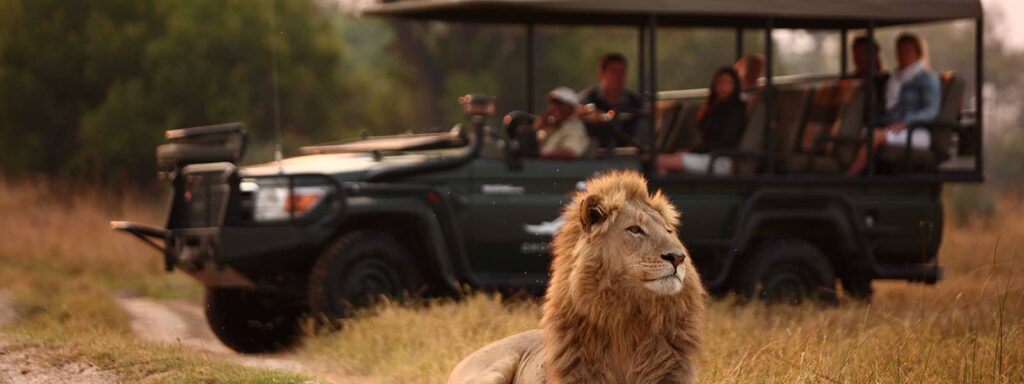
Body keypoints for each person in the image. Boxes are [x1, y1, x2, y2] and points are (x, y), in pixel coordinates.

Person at [846, 32, 941, 175]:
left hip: (916, 131)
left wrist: (907, 122)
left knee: (874, 136)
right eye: (900, 52)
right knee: (856, 132)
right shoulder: (894, 80)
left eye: (907, 52)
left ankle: (849, 177)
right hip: (893, 128)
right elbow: (886, 110)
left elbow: (931, 111)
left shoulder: (927, 78)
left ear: (918, 53)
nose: (902, 56)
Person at [657, 67, 747, 174]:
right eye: (720, 82)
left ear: (735, 86)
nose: (723, 87)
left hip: (720, 159)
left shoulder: (735, 111)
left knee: (660, 162)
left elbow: (724, 142)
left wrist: (692, 152)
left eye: (728, 83)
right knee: (661, 160)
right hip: (708, 156)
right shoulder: (715, 107)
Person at [578, 53, 645, 149]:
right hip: (594, 157)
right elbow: (573, 114)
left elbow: (642, 134)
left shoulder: (635, 102)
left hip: (627, 158)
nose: (618, 76)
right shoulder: (587, 98)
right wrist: (586, 113)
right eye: (613, 71)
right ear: (601, 73)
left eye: (622, 71)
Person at [535, 87, 590, 160]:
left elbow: (570, 153)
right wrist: (537, 128)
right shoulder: (550, 126)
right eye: (552, 103)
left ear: (571, 108)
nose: (553, 108)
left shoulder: (576, 128)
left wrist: (540, 154)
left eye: (560, 104)